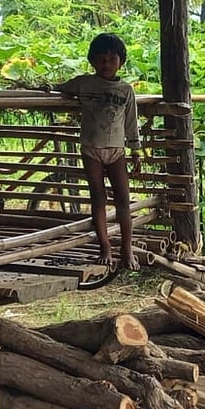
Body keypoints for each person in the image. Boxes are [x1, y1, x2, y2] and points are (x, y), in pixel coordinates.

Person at [51, 33, 142, 270]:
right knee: (98, 198)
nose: (106, 63)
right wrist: (44, 88)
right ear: (92, 61)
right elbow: (59, 89)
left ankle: (127, 247)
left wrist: (136, 151)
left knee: (123, 200)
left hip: (117, 151)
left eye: (112, 59)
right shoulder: (84, 84)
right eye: (101, 59)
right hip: (91, 149)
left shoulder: (126, 90)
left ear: (121, 61)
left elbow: (131, 122)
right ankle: (105, 246)